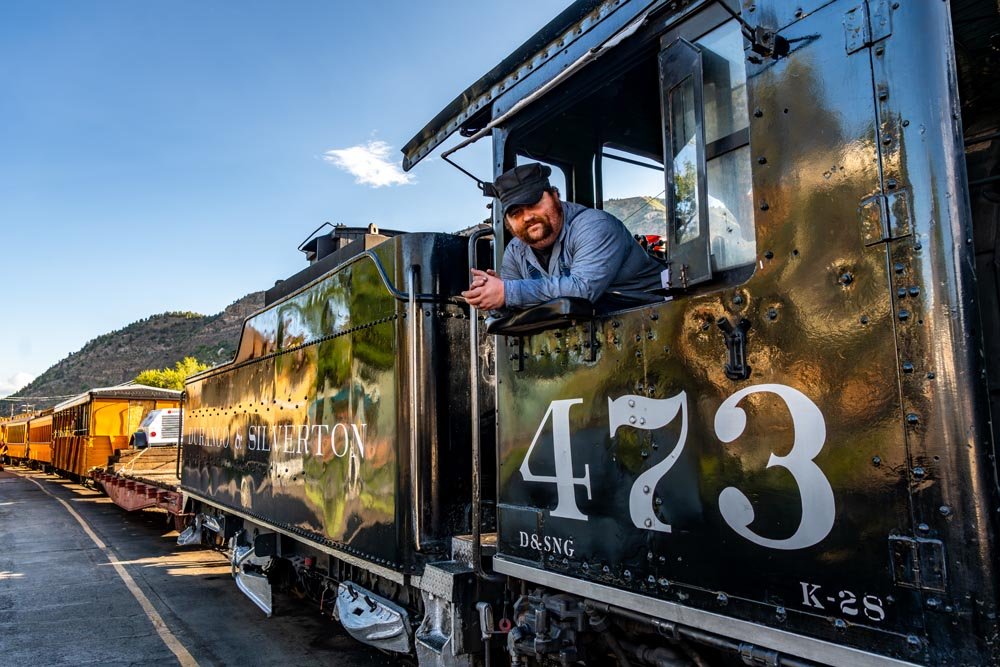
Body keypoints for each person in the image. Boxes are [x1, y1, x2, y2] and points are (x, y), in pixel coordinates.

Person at [462, 163, 665, 314]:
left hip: (655, 316)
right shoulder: (515, 251)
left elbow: (582, 290)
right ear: (508, 223)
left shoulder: (594, 225)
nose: (528, 216)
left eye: (534, 203)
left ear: (555, 196)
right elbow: (513, 310)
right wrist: (491, 296)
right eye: (516, 213)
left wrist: (509, 291)